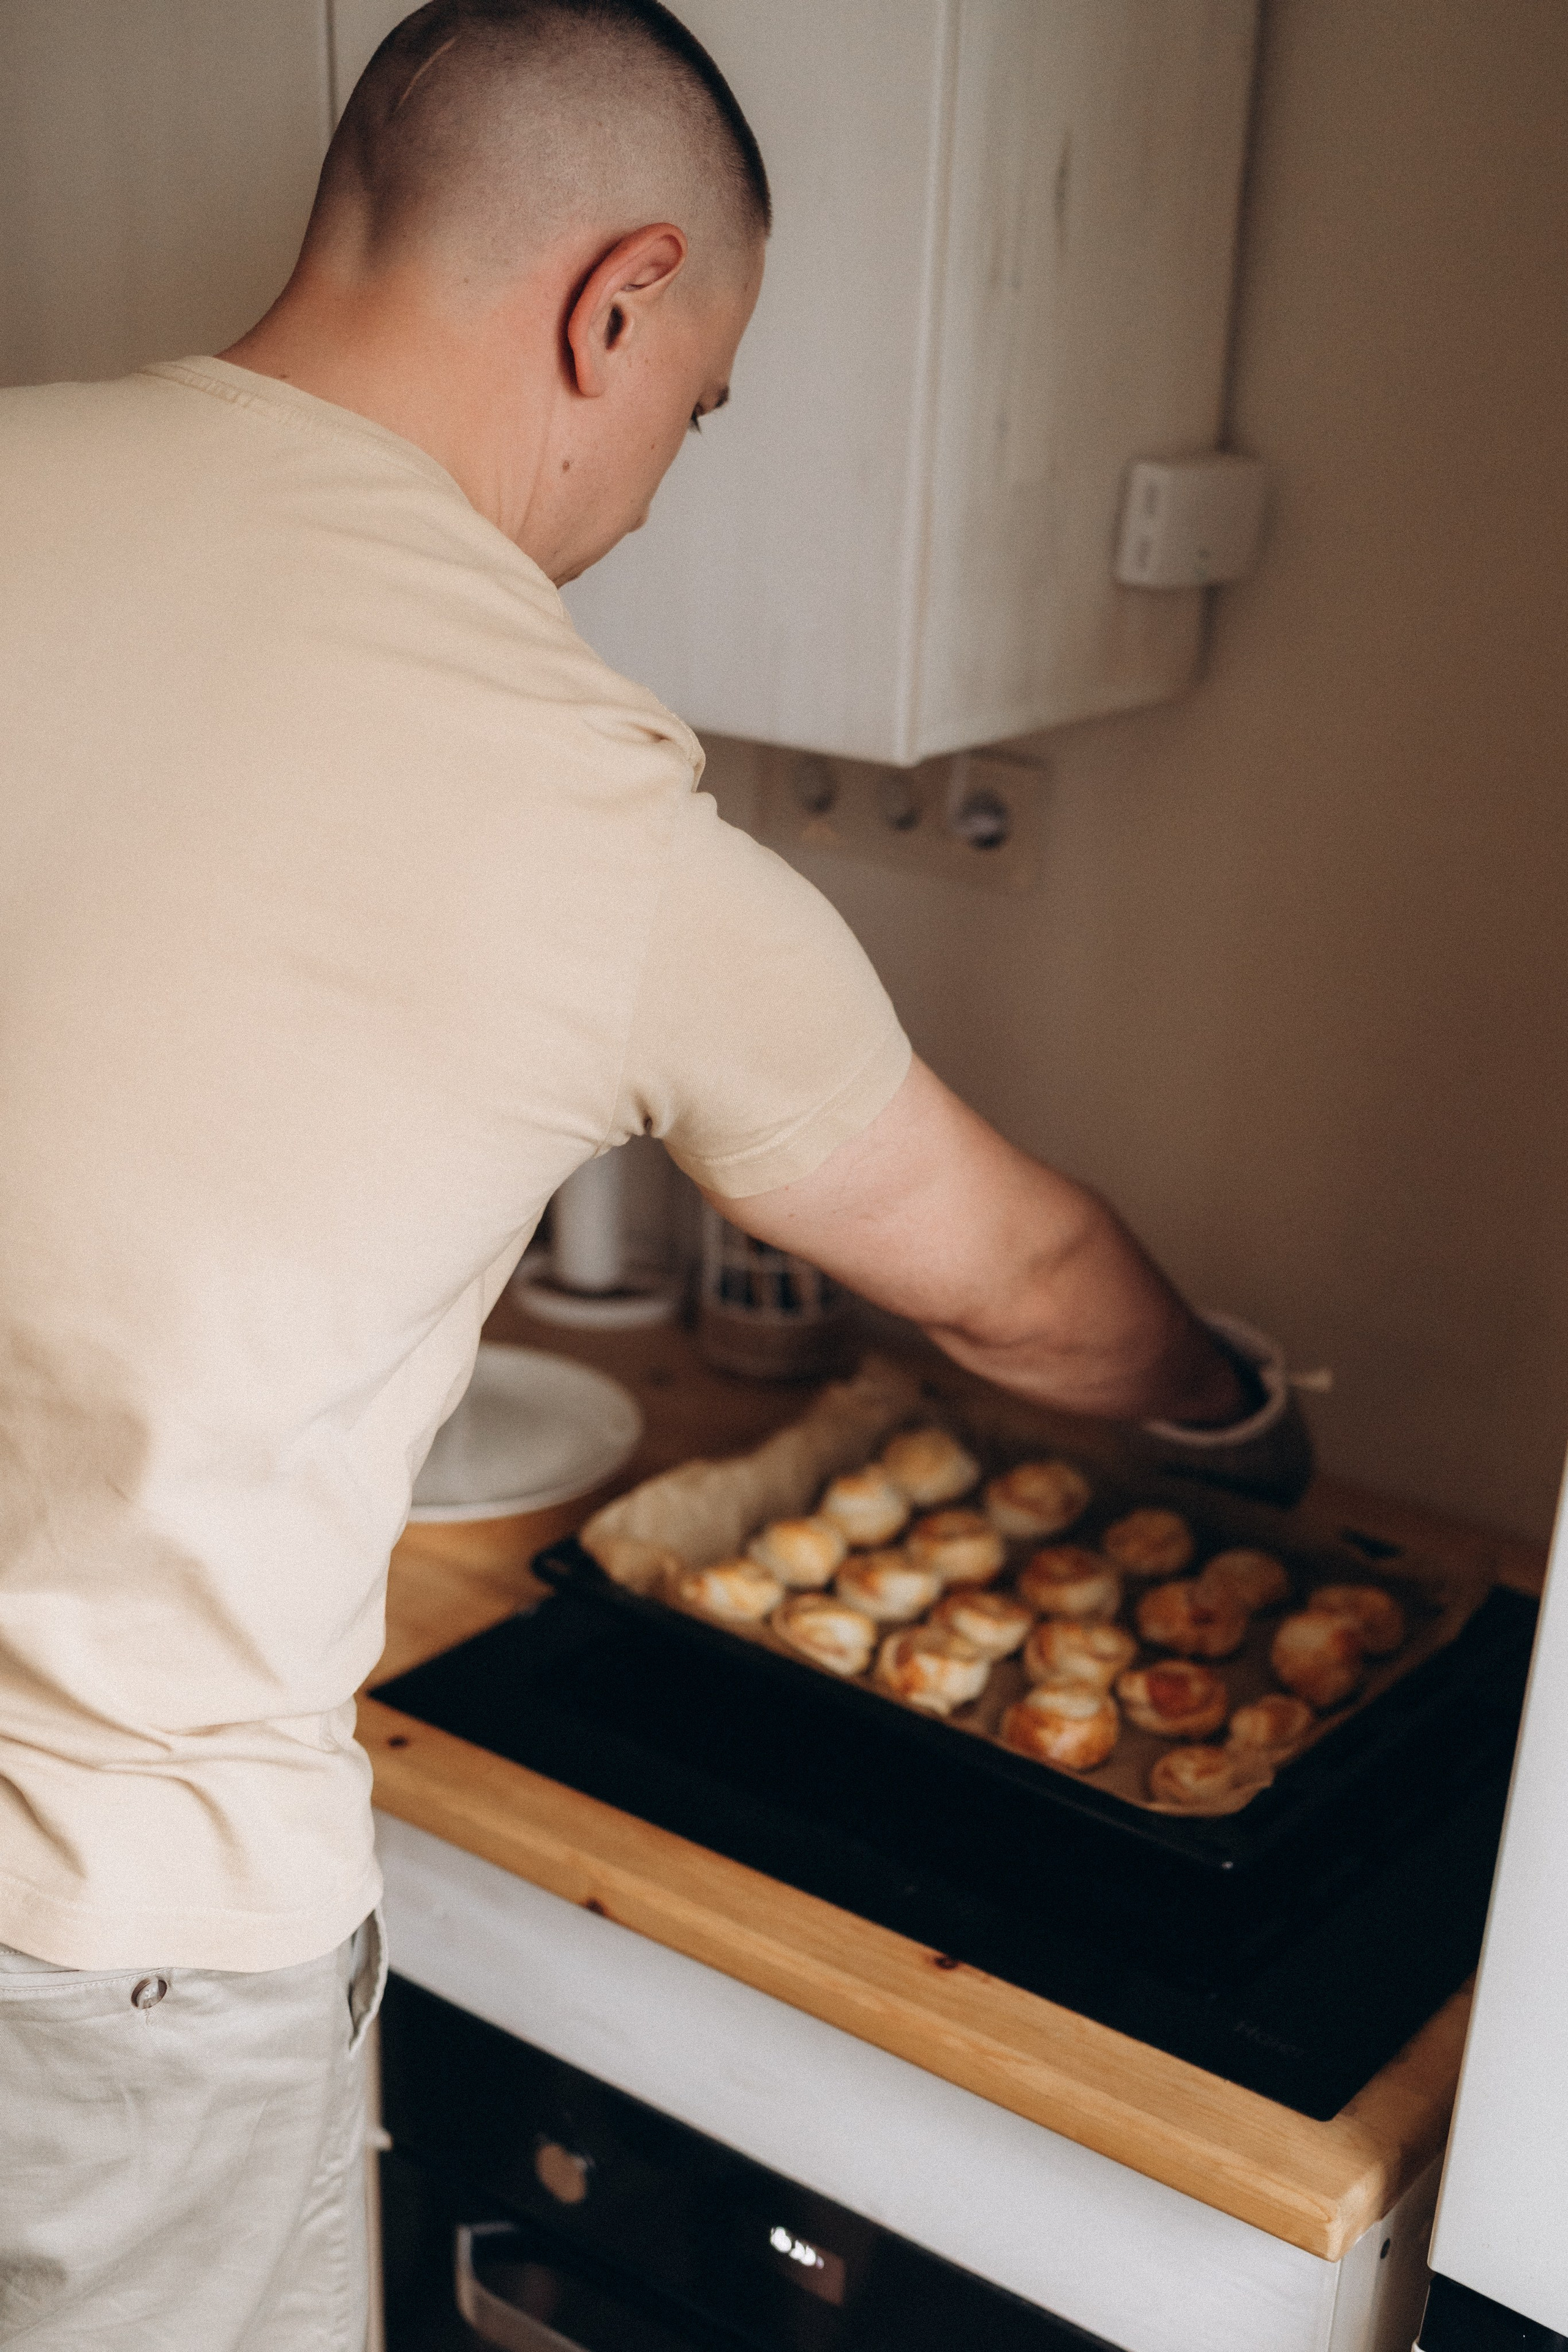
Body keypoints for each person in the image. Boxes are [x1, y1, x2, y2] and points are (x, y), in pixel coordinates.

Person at [0, 4, 1302, 2345]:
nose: (658, 477)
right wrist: (1234, 1412)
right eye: (698, 408)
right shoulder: (585, 807)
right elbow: (1014, 1279)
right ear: (620, 302)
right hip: (116, 1947)